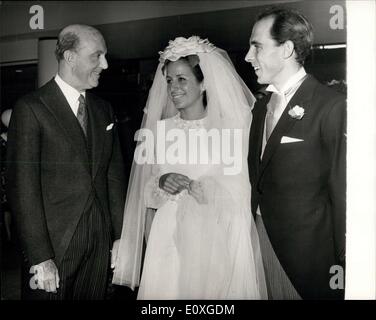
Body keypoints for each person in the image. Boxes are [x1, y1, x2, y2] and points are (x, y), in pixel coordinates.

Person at [112, 36, 267, 299]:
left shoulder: (229, 130)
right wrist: (161, 182)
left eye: (182, 79)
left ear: (204, 81)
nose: (173, 87)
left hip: (213, 239)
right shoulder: (158, 131)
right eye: (169, 80)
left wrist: (209, 188)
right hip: (167, 238)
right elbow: (143, 192)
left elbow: (242, 192)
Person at [6, 24, 126, 300]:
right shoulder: (32, 108)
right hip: (54, 245)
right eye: (97, 56)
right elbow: (22, 189)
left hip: (99, 243)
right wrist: (40, 256)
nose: (105, 65)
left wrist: (121, 236)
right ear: (70, 57)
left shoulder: (103, 109)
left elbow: (113, 176)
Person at [245, 7, 346, 299]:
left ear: (287, 49)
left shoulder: (331, 107)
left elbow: (342, 194)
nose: (248, 57)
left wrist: (346, 265)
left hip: (310, 262)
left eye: (257, 47)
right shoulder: (261, 107)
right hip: (261, 245)